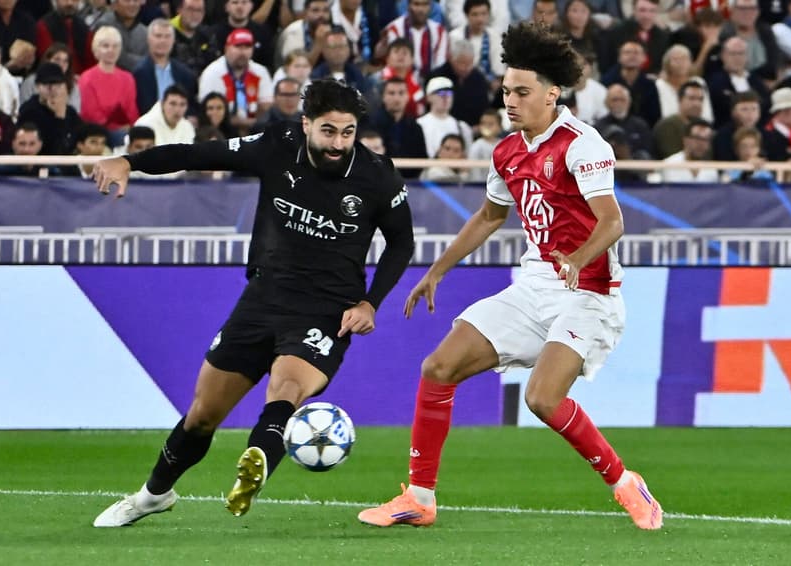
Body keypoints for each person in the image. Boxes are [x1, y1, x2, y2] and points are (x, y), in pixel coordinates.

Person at [358, 22, 663, 531]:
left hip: (587, 293)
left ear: (552, 92)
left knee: (542, 399)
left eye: (522, 92)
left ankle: (625, 482)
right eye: (506, 92)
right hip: (532, 287)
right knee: (438, 367)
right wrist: (437, 271)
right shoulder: (506, 152)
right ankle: (419, 497)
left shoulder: (582, 145)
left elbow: (613, 221)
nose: (511, 101)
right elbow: (488, 217)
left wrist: (577, 257)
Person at [91, 78, 415, 528]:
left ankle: (258, 458)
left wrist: (370, 303)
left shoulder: (378, 175)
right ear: (305, 124)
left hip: (327, 310)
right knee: (202, 415)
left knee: (286, 389)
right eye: (328, 131)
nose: (339, 143)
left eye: (347, 132)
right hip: (262, 299)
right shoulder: (276, 144)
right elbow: (197, 154)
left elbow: (402, 243)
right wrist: (129, 160)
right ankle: (153, 495)